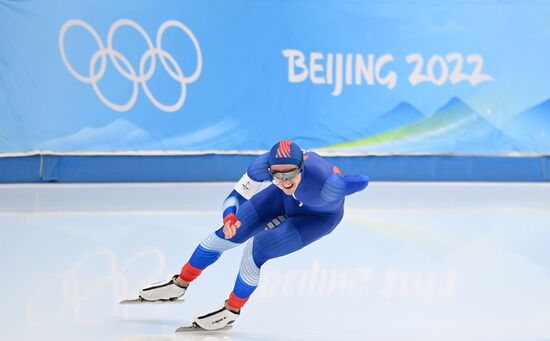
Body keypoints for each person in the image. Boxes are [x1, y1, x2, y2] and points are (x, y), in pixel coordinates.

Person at [137, 140, 369, 330]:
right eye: (277, 175)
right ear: (269, 171)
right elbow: (236, 195)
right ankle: (180, 283)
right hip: (281, 200)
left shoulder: (327, 184)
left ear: (302, 169)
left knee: (255, 251)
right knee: (221, 236)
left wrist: (348, 180)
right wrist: (229, 216)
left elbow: (361, 182)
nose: (285, 181)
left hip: (317, 219)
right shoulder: (262, 168)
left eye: (290, 175)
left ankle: (231, 310)